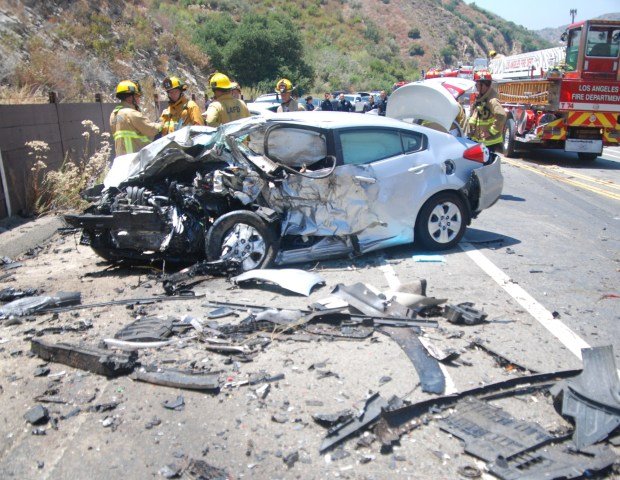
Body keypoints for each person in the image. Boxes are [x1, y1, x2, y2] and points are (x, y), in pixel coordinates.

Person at [109, 80, 162, 157]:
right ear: (130, 97)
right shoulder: (131, 113)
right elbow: (150, 129)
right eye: (137, 96)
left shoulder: (114, 115)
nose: (139, 99)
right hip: (134, 157)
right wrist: (161, 125)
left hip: (121, 158)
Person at [466, 70, 507, 152]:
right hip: (480, 139)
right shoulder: (481, 98)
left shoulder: (492, 100)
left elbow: (501, 115)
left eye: (478, 85)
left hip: (489, 142)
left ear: (484, 85)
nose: (476, 87)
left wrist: (491, 132)